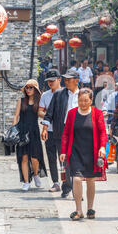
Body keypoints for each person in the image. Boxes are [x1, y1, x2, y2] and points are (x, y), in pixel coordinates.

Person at [60, 88, 107, 221]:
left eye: (86, 100)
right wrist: (63, 151)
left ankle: (90, 208)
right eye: (80, 100)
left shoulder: (97, 114)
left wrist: (102, 147)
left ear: (91, 101)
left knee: (91, 180)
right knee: (76, 179)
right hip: (75, 151)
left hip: (92, 152)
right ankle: (78, 209)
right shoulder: (71, 113)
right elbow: (66, 133)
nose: (83, 103)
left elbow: (103, 132)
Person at [41, 68, 80, 198]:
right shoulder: (59, 94)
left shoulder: (83, 95)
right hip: (62, 131)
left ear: (76, 81)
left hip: (79, 132)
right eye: (65, 79)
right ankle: (67, 185)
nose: (66, 82)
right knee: (64, 161)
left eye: (69, 80)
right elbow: (49, 113)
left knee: (76, 161)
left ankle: (75, 188)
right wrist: (45, 128)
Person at [13, 79, 47, 191]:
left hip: (34, 131)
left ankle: (36, 174)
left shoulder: (39, 101)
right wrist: (14, 129)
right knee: (23, 157)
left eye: (31, 87)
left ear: (35, 89)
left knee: (35, 158)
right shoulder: (21, 101)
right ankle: (26, 182)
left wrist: (48, 120)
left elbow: (43, 114)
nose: (28, 90)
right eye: (27, 88)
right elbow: (16, 116)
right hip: (22, 130)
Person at [38, 69, 63, 192]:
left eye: (52, 81)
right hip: (50, 130)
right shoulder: (45, 95)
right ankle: (56, 182)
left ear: (59, 80)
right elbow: (40, 111)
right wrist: (49, 117)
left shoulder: (65, 94)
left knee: (63, 157)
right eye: (48, 81)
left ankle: (66, 182)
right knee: (51, 157)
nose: (50, 83)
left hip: (62, 130)